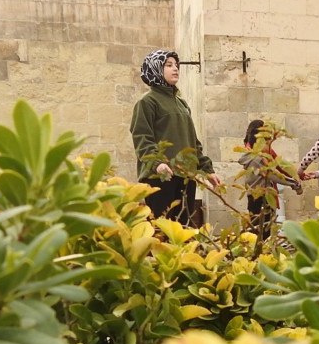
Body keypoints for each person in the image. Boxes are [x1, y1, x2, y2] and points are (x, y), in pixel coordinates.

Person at [129, 49, 221, 224]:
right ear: (155, 69)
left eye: (176, 65)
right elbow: (142, 138)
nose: (176, 69)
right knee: (161, 228)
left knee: (184, 229)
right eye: (169, 65)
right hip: (160, 176)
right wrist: (157, 164)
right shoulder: (147, 102)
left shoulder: (182, 104)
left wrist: (207, 169)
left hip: (186, 175)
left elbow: (193, 142)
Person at [237, 118, 301, 242]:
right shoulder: (257, 158)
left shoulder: (252, 154)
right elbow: (272, 174)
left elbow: (281, 166)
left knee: (260, 231)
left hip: (255, 197)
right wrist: (293, 183)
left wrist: (296, 177)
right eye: (266, 139)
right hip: (261, 197)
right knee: (263, 233)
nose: (269, 142)